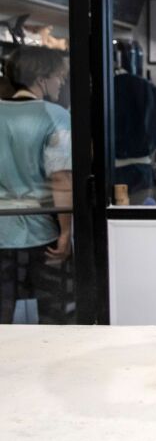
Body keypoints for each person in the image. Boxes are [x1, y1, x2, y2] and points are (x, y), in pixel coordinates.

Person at [0, 46, 73, 323]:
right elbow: (61, 179)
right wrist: (66, 232)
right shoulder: (54, 116)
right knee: (53, 317)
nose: (62, 82)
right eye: (59, 76)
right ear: (41, 79)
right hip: (41, 233)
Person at [113, 40, 156, 204]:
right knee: (138, 218)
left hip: (111, 169)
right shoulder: (149, 88)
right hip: (141, 171)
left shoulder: (105, 87)